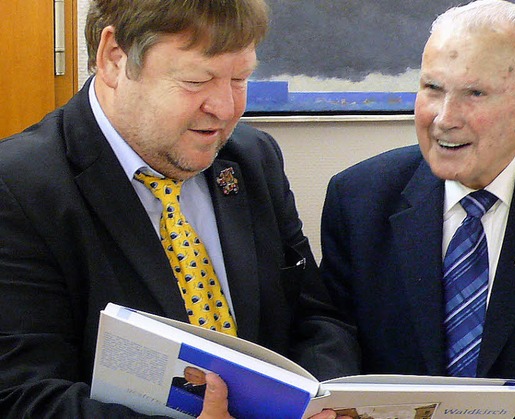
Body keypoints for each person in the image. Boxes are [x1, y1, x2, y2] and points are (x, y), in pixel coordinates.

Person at [0, 0, 352, 417]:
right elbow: (22, 395)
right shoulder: (19, 187)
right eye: (195, 80)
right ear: (116, 59)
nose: (225, 109)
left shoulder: (253, 159)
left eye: (240, 78)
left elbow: (315, 318)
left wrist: (322, 399)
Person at [318, 0, 515, 417]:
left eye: (475, 93)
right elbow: (332, 343)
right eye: (432, 88)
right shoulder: (359, 198)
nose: (444, 118)